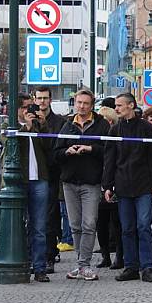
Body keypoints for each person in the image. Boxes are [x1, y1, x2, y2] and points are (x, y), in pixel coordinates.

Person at [102, 93, 152, 283]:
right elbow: (109, 159)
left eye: (120, 105)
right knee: (127, 228)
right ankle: (131, 266)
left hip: (144, 185)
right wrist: (107, 185)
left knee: (143, 227)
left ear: (131, 106)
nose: (117, 109)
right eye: (116, 106)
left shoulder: (146, 128)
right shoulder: (114, 131)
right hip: (122, 186)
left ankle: (147, 266)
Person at [54, 89, 110, 281]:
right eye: (79, 103)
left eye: (86, 103)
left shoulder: (101, 125)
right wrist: (67, 151)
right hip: (70, 181)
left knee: (89, 223)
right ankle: (81, 263)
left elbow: (108, 152)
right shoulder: (68, 125)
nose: (82, 106)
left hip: (91, 182)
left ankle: (84, 264)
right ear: (75, 103)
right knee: (75, 225)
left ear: (92, 105)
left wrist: (91, 149)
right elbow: (56, 153)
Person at [15, 94, 52, 282]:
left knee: (39, 226)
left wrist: (42, 124)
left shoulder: (39, 125)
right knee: (19, 225)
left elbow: (49, 147)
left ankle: (39, 268)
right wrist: (25, 128)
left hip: (39, 180)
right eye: (26, 107)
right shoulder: (10, 126)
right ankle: (23, 264)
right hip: (19, 182)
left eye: (32, 107)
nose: (30, 111)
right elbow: (10, 145)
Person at [33, 86, 67, 273]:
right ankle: (38, 254)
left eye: (45, 98)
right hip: (34, 172)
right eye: (40, 98)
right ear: (35, 99)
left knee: (50, 217)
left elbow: (58, 148)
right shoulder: (31, 121)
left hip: (52, 174)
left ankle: (49, 255)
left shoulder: (59, 122)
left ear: (50, 100)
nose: (42, 101)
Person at [94, 105, 123, 270]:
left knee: (117, 222)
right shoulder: (99, 136)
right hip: (99, 181)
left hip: (114, 184)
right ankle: (105, 255)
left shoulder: (116, 135)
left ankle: (120, 256)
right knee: (101, 223)